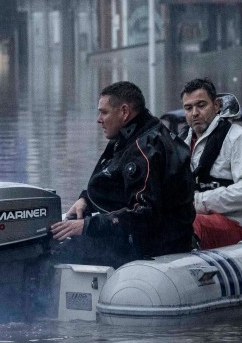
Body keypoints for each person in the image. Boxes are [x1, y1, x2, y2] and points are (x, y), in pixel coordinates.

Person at [49, 81, 195, 267]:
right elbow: (112, 180)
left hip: (153, 246)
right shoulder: (131, 135)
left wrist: (87, 226)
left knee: (54, 255)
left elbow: (144, 213)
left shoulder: (145, 149)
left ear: (124, 112)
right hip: (134, 237)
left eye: (104, 112)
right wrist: (85, 200)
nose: (99, 119)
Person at [179, 78, 242, 249]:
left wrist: (199, 202)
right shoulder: (180, 144)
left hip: (235, 225)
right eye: (188, 108)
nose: (194, 113)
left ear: (217, 105)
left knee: (186, 223)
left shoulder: (238, 138)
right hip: (193, 219)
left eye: (201, 105)